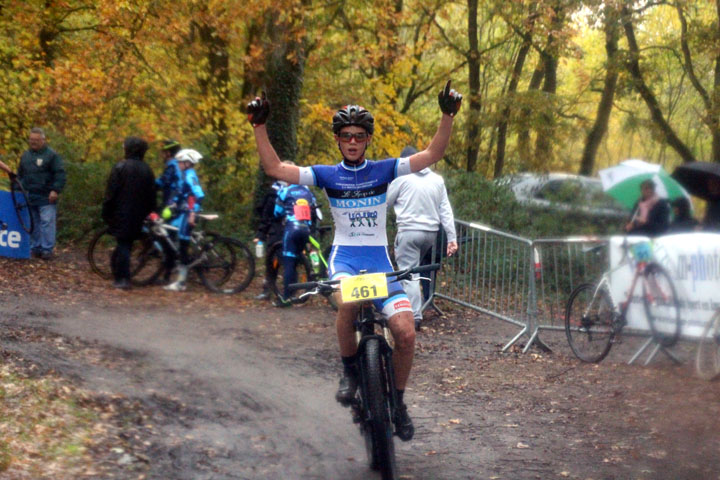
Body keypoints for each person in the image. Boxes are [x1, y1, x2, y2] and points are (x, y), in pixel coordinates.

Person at [247, 80, 462, 442]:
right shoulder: (327, 175)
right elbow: (275, 168)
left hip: (380, 262)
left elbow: (431, 154)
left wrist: (447, 116)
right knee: (348, 299)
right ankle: (349, 371)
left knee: (407, 334)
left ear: (367, 140)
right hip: (345, 260)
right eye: (345, 135)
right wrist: (259, 126)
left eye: (359, 136)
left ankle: (398, 400)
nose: (351, 141)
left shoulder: (384, 170)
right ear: (337, 139)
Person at [387, 146, 458, 331]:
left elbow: (385, 202)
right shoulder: (437, 180)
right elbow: (446, 211)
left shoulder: (401, 177)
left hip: (409, 230)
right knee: (416, 271)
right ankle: (413, 307)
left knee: (408, 274)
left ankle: (414, 316)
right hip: (430, 234)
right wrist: (452, 238)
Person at [101, 137, 156, 289]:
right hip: (140, 215)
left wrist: (106, 211)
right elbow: (152, 195)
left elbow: (111, 193)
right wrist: (151, 213)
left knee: (124, 244)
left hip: (122, 213)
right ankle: (124, 276)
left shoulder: (121, 167)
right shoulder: (147, 169)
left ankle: (123, 279)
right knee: (127, 243)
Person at [17, 127, 66, 259]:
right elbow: (20, 175)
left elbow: (60, 174)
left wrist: (55, 190)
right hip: (30, 195)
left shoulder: (52, 155)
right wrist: (18, 189)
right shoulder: (25, 156)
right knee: (34, 222)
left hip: (46, 196)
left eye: (36, 140)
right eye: (31, 139)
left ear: (43, 140)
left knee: (47, 222)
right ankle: (35, 247)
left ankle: (47, 249)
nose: (33, 142)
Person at [165, 148, 205, 292]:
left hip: (187, 216)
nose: (179, 164)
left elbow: (199, 195)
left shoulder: (190, 175)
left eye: (181, 162)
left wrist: (193, 213)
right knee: (168, 233)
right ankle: (176, 269)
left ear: (188, 163)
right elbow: (182, 194)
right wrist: (172, 204)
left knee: (183, 247)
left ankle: (181, 282)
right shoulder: (185, 174)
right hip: (182, 214)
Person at [273, 181, 318, 306]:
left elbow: (277, 212)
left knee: (289, 263)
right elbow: (314, 209)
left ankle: (286, 298)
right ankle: (300, 287)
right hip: (306, 229)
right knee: (299, 258)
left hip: (292, 229)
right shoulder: (308, 191)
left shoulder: (285, 191)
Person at [155, 139, 184, 283]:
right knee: (169, 236)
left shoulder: (172, 166)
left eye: (163, 152)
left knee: (166, 237)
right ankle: (171, 267)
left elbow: (161, 182)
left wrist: (147, 184)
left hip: (173, 206)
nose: (162, 155)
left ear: (168, 153)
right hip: (176, 204)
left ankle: (168, 273)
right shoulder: (178, 166)